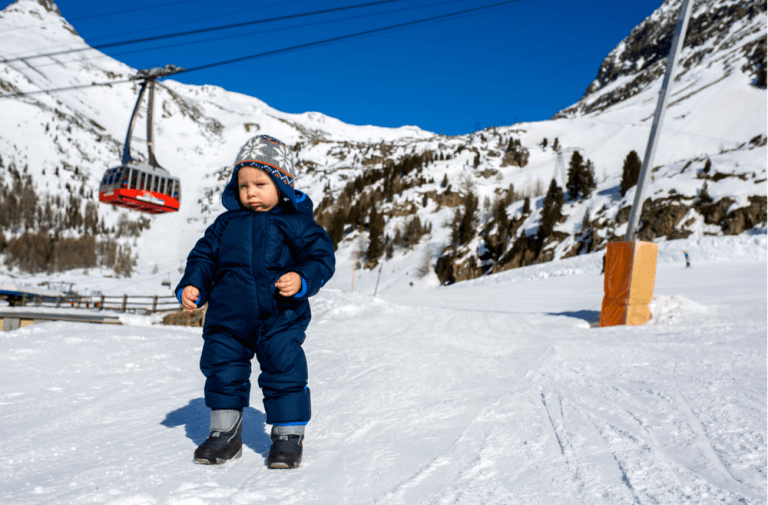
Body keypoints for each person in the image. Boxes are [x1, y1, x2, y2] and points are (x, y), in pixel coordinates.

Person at [175, 135, 335, 469]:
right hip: (228, 317)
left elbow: (321, 256)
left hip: (279, 315)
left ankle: (288, 437)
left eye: (260, 183)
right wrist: (193, 284)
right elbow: (203, 257)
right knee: (222, 369)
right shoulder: (225, 224)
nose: (250, 192)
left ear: (282, 185)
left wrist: (302, 278)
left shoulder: (296, 223)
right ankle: (224, 434)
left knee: (284, 369)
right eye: (243, 185)